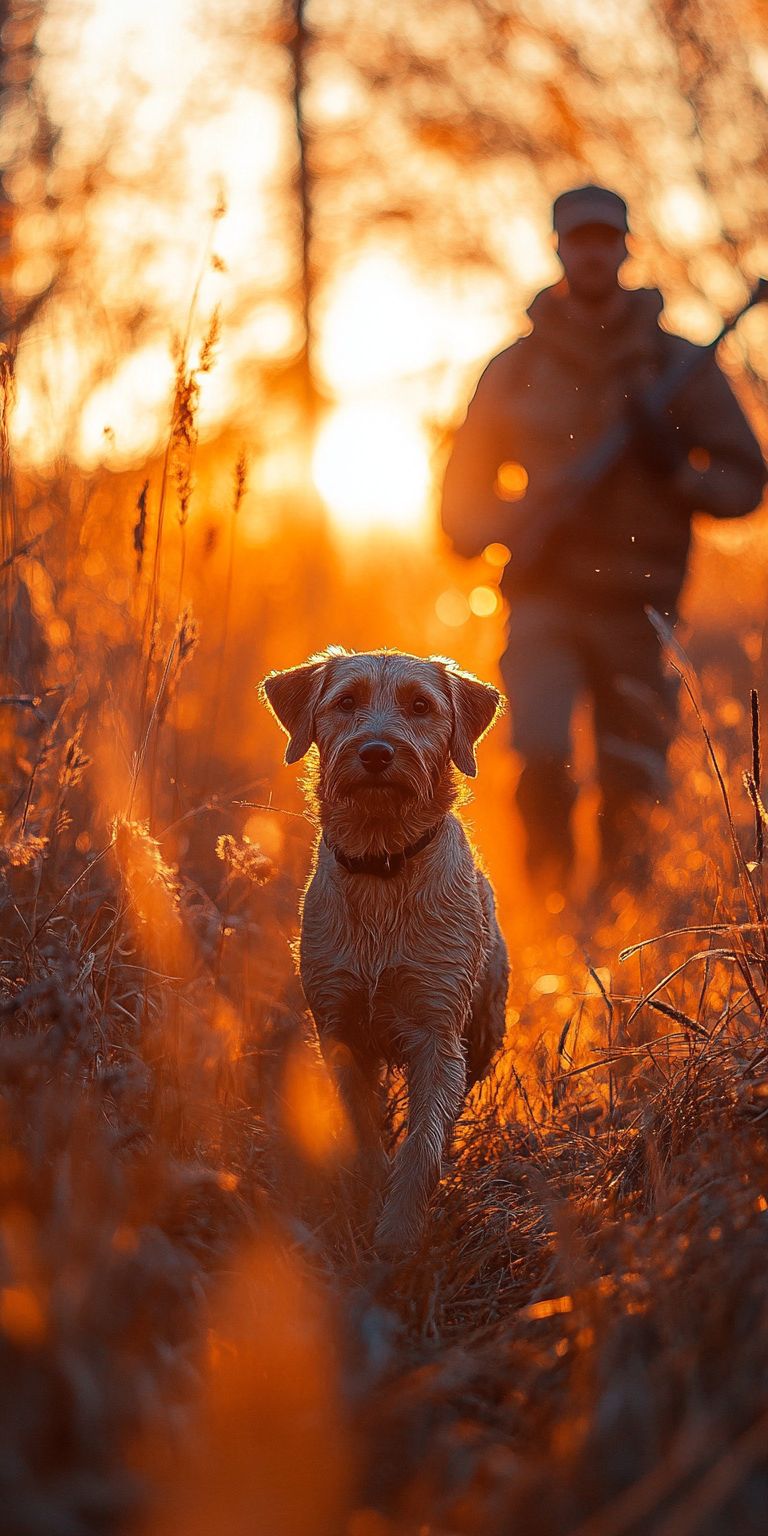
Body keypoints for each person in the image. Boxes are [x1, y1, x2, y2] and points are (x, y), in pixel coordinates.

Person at [440, 183, 767, 897]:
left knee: (632, 778)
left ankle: (620, 937)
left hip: (640, 607)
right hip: (543, 601)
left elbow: (746, 482)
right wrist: (524, 519)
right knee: (543, 757)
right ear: (558, 247)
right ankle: (549, 913)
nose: (591, 252)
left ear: (624, 247)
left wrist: (675, 471)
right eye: (577, 239)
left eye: (604, 238)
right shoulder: (513, 369)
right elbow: (461, 509)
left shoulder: (677, 366)